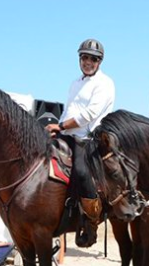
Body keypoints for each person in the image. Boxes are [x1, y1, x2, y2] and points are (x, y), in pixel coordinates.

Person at [46, 38, 115, 247]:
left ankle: (92, 221)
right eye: (85, 57)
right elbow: (68, 110)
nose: (88, 62)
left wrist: (61, 126)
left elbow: (89, 114)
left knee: (82, 172)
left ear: (99, 62)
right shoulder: (75, 83)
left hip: (88, 138)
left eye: (93, 59)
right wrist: (57, 129)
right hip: (67, 134)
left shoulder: (105, 83)